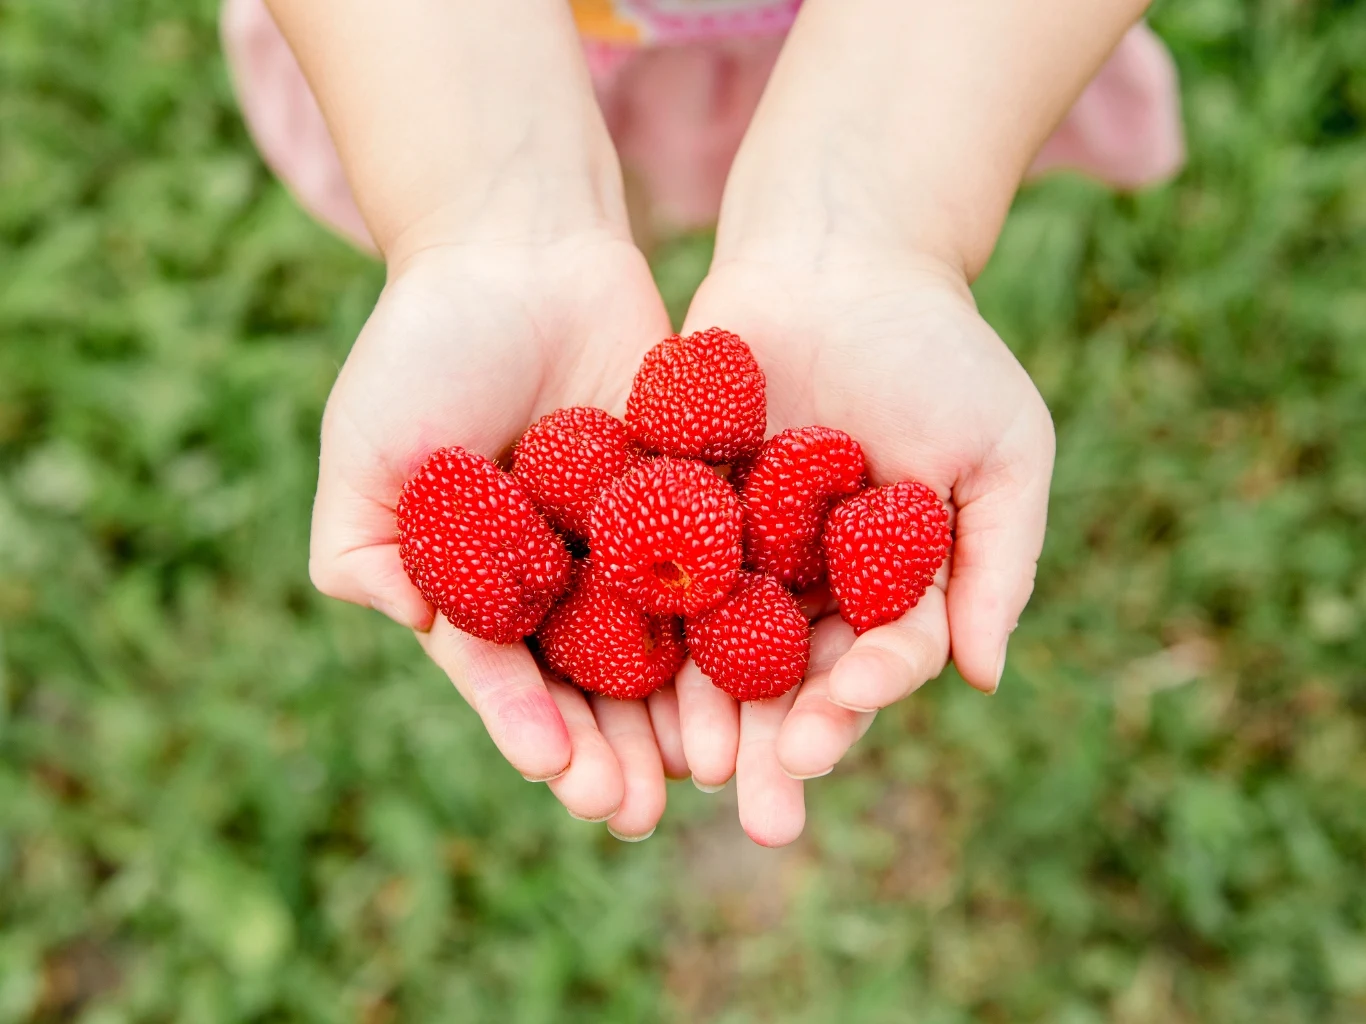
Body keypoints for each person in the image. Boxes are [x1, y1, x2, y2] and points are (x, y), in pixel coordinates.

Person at [222, 0, 1184, 847]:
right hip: (442, 57)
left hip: (925, 60)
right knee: (630, 196)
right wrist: (487, 221)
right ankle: (591, 207)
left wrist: (879, 219)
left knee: (659, 191)